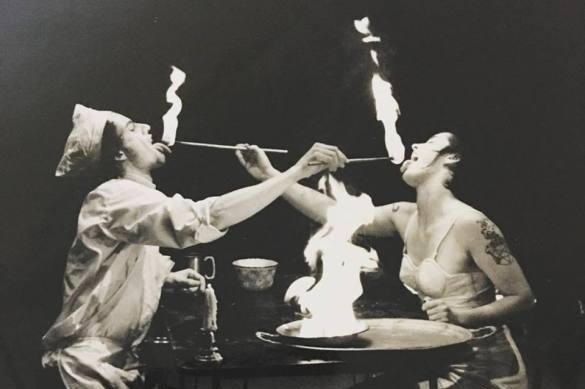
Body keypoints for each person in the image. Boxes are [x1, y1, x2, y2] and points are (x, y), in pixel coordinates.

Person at [42, 104, 347, 389]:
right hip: (89, 368)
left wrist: (164, 279)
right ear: (119, 155)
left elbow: (113, 268)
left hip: (115, 362)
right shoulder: (113, 196)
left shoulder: (130, 197)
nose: (148, 128)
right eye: (133, 129)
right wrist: (296, 171)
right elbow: (209, 217)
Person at [238, 132, 535, 389]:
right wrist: (272, 176)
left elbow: (522, 297)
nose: (415, 145)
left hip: (482, 364)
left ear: (451, 158)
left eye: (429, 142)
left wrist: (463, 317)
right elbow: (331, 211)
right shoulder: (404, 215)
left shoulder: (471, 224)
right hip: (438, 355)